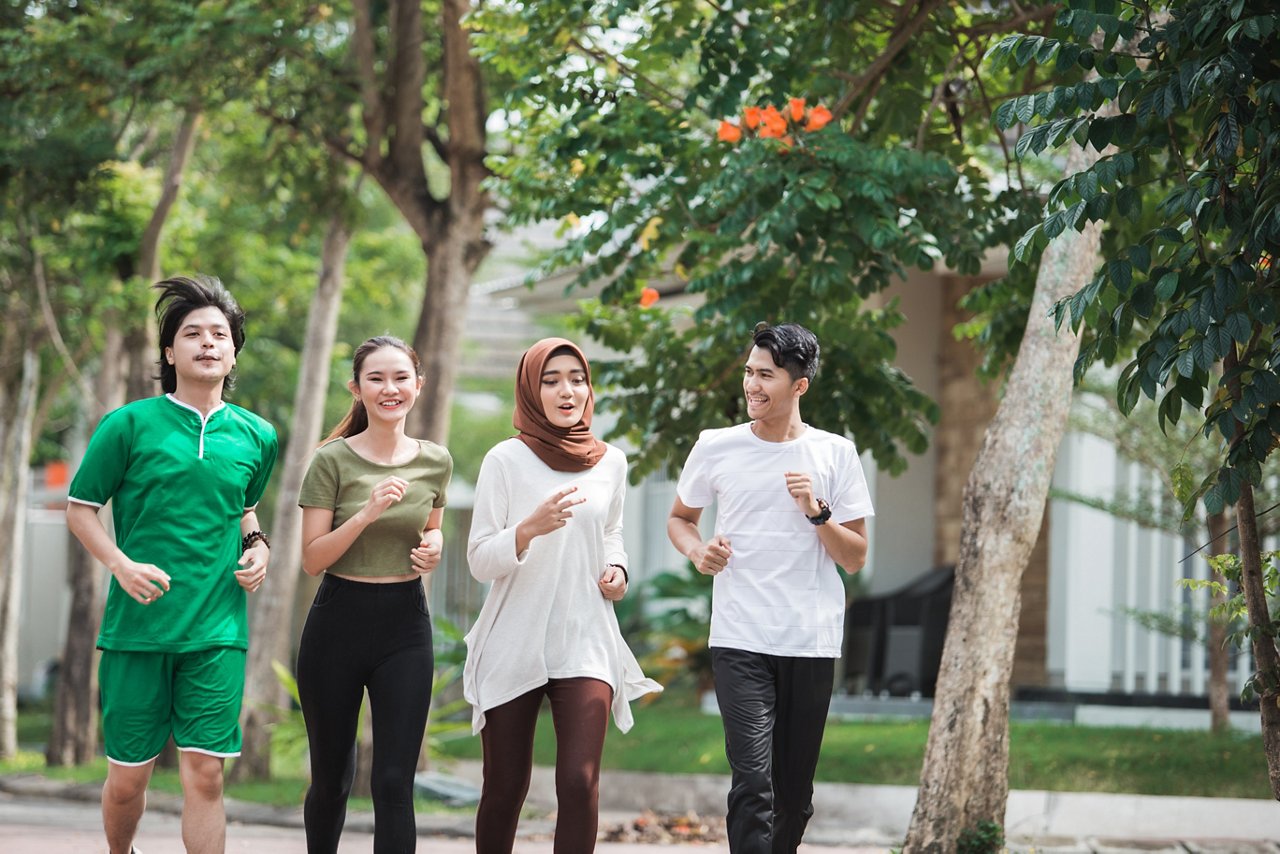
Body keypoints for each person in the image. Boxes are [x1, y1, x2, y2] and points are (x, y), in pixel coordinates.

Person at [65, 275, 279, 854]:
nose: (207, 343)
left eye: (219, 334)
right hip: (138, 630)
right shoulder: (129, 425)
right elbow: (81, 508)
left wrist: (258, 545)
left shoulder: (258, 435)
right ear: (169, 352)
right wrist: (119, 563)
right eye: (192, 334)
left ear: (233, 350)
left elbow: (244, 506)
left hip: (216, 630)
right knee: (129, 778)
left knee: (206, 775)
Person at [667, 322, 874, 854]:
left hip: (809, 640)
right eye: (749, 373)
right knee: (753, 785)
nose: (752, 386)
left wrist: (817, 513)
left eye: (767, 375)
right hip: (740, 636)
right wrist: (697, 552)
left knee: (794, 794)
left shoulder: (835, 454)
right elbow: (680, 518)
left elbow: (854, 557)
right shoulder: (716, 446)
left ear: (799, 385)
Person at [463, 337, 662, 854]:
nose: (566, 390)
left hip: (585, 637)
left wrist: (617, 567)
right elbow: (480, 558)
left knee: (579, 781)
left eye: (576, 378)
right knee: (505, 787)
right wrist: (526, 530)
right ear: (531, 390)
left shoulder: (611, 462)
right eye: (550, 381)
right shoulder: (504, 460)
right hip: (515, 637)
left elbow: (611, 532)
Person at [295, 335, 452, 854]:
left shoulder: (435, 461)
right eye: (377, 379)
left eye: (401, 377)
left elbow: (432, 528)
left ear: (418, 385)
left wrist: (434, 545)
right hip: (337, 623)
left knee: (392, 783)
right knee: (333, 781)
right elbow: (313, 558)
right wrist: (365, 514)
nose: (390, 388)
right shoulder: (331, 461)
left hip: (405, 627)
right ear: (357, 389)